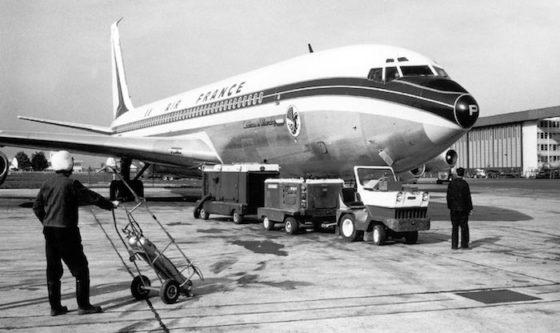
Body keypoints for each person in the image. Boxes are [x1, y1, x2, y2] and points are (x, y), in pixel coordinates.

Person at [33, 151, 117, 316]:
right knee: (81, 269)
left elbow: (36, 207)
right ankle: (84, 305)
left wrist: (47, 221)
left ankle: (55, 307)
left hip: (49, 232)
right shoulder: (72, 184)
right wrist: (110, 205)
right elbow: (92, 197)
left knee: (53, 270)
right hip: (67, 232)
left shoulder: (46, 184)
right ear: (68, 165)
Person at [446, 167, 473, 250]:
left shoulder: (451, 184)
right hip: (463, 209)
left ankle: (454, 245)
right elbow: (468, 197)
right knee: (464, 227)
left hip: (454, 209)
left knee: (455, 227)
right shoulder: (465, 184)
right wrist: (470, 208)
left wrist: (450, 207)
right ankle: (464, 245)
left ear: (457, 174)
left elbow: (448, 196)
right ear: (463, 174)